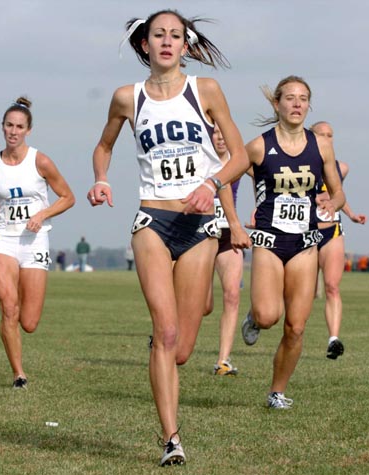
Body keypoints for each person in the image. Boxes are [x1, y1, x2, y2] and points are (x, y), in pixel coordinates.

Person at [87, 10, 249, 466]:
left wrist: (212, 185)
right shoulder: (127, 98)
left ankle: (162, 346)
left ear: (185, 45)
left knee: (181, 351)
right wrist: (101, 177)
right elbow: (104, 145)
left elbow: (238, 155)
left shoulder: (206, 91)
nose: (166, 42)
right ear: (144, 45)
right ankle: (171, 439)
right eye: (158, 34)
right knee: (167, 330)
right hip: (151, 221)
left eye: (175, 35)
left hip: (199, 227)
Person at [210, 76, 345, 410]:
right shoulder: (259, 146)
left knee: (296, 327)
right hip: (269, 242)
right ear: (277, 104)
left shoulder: (322, 146)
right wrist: (234, 224)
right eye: (290, 98)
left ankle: (277, 392)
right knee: (270, 316)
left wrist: (333, 203)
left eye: (303, 99)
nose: (297, 104)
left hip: (305, 243)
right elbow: (222, 180)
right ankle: (254, 318)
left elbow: (338, 191)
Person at [0, 96, 75, 390]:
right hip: (5, 239)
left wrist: (43, 213)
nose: (13, 131)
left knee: (29, 322)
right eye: (9, 126)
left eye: (19, 127)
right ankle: (18, 374)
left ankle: (20, 356)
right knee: (9, 308)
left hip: (35, 240)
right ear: (2, 127)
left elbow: (68, 197)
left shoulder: (40, 161)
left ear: (28, 130)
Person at [310, 121, 367, 359]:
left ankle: (333, 339)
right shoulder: (297, 165)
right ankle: (259, 317)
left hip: (332, 231)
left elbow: (338, 194)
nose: (327, 138)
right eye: (321, 134)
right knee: (299, 294)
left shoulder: (340, 168)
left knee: (332, 286)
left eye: (330, 135)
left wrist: (351, 214)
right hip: (304, 232)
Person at [203, 124, 248, 376]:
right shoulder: (199, 159)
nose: (220, 138)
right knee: (204, 306)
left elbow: (266, 174)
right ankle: (164, 332)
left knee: (232, 294)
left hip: (229, 236)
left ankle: (223, 360)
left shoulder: (239, 160)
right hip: (201, 236)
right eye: (215, 133)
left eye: (224, 133)